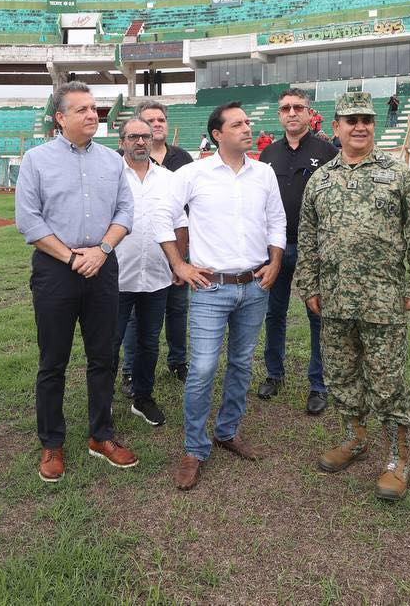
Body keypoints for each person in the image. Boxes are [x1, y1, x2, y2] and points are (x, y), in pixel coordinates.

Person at [297, 93, 410, 501]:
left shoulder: (398, 175)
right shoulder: (320, 180)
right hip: (335, 299)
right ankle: (355, 437)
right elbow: (307, 239)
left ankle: (397, 457)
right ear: (336, 127)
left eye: (367, 120)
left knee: (387, 379)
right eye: (351, 120)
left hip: (383, 300)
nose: (360, 126)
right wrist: (309, 285)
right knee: (340, 375)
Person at [156, 102, 285, 491]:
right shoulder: (193, 173)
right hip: (210, 287)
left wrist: (275, 262)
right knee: (202, 368)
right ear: (217, 134)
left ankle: (227, 432)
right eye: (238, 124)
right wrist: (179, 265)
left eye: (248, 122)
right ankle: (194, 448)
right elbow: (162, 216)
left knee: (241, 364)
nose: (247, 128)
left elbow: (276, 220)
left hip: (255, 285)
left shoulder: (263, 173)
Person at [14, 81, 139, 484]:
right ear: (60, 118)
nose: (92, 115)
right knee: (53, 361)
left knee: (103, 357)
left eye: (94, 108)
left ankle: (101, 435)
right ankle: (52, 442)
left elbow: (125, 211)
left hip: (102, 267)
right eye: (82, 109)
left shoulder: (112, 161)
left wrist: (101, 251)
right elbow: (29, 221)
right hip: (56, 270)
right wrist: (71, 257)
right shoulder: (36, 160)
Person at [257, 88, 337, 414]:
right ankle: (274, 374)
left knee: (316, 314)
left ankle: (318, 384)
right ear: (279, 114)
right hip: (276, 247)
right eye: (285, 108)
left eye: (298, 107)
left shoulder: (328, 152)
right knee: (274, 313)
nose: (291, 113)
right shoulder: (268, 154)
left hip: (313, 248)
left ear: (309, 113)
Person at [113, 119, 186, 427]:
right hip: (116, 276)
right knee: (108, 343)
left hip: (156, 275)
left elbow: (180, 222)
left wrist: (178, 262)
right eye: (133, 137)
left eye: (145, 136)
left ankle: (143, 398)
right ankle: (102, 403)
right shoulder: (111, 176)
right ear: (122, 141)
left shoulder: (168, 179)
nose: (140, 141)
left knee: (149, 341)